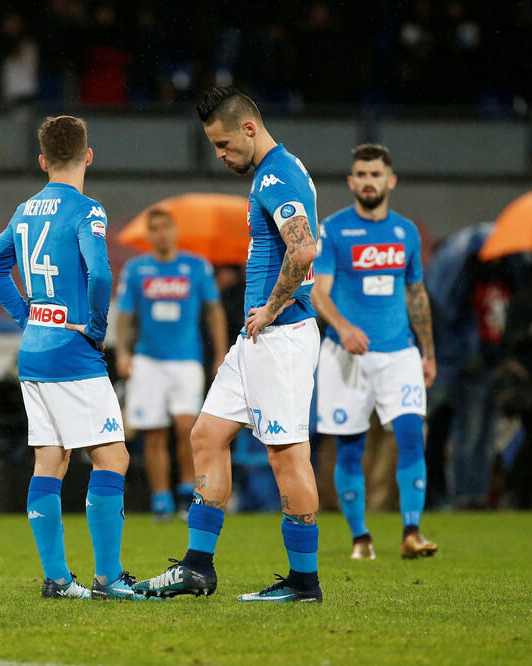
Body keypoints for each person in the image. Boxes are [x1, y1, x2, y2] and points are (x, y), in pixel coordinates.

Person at [132, 87, 323, 602]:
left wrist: (274, 306)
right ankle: (197, 568)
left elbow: (304, 248)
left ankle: (304, 582)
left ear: (248, 128)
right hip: (255, 340)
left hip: (280, 337)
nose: (219, 154)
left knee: (286, 455)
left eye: (222, 143)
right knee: (206, 436)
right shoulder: (275, 172)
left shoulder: (278, 175)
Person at [0, 115, 147, 601]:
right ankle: (108, 579)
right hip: (73, 353)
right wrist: (96, 329)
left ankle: (57, 580)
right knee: (112, 456)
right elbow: (100, 274)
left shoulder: (24, 211)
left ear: (42, 161)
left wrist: (28, 318)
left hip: (34, 352)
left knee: (50, 460)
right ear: (88, 156)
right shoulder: (86, 210)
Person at [310, 144, 439, 560]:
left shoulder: (406, 232)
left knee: (411, 436)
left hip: (399, 353)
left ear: (390, 180)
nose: (369, 181)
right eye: (362, 175)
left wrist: (428, 352)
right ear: (351, 182)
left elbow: (416, 294)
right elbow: (318, 292)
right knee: (350, 448)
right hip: (345, 354)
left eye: (376, 174)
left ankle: (411, 532)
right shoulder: (333, 230)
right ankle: (360, 538)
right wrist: (344, 327)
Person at [115, 208, 227, 521]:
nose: (161, 233)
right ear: (148, 234)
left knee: (186, 428)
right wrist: (122, 352)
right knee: (154, 433)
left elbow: (214, 311)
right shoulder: (136, 269)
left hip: (186, 360)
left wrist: (220, 353)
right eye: (155, 228)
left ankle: (187, 491)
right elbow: (124, 313)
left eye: (165, 227)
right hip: (148, 360)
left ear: (175, 231)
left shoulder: (196, 266)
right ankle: (161, 498)